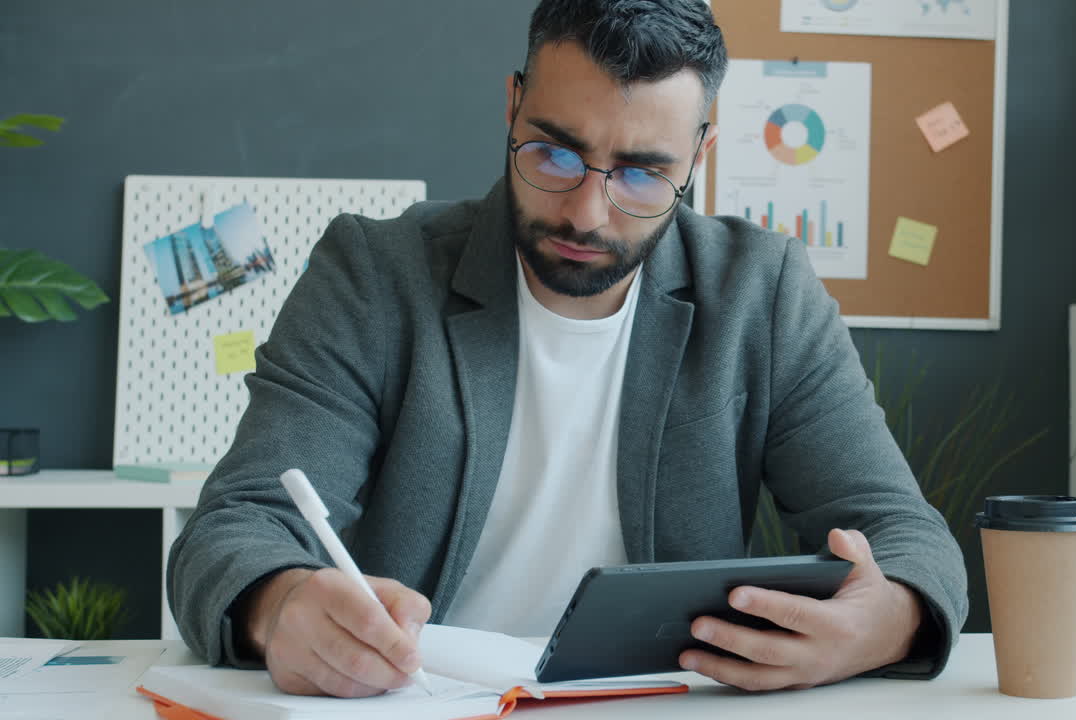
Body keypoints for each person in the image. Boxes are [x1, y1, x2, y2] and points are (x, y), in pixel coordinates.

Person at [168, 0, 968, 699]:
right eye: (553, 153)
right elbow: (236, 526)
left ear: (700, 155)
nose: (589, 213)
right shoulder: (376, 276)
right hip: (416, 704)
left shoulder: (763, 294)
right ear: (513, 106)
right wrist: (281, 607)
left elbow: (905, 534)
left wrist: (887, 621)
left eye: (644, 175)